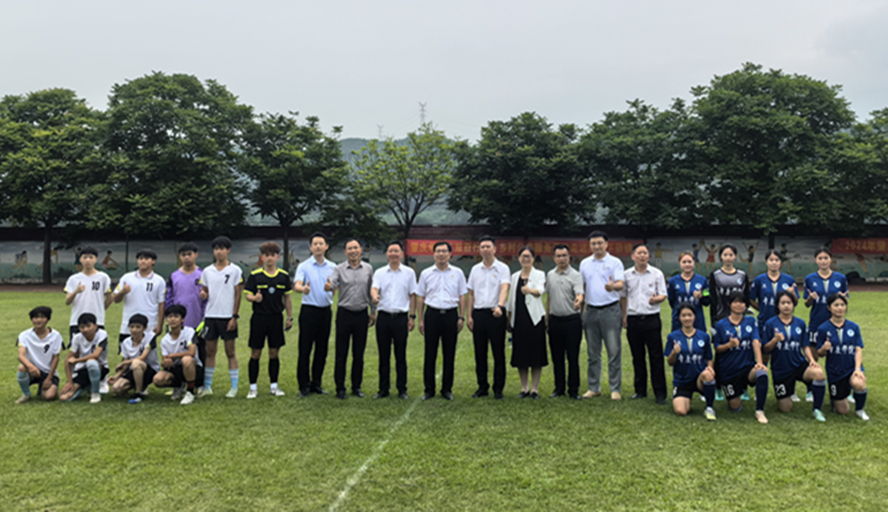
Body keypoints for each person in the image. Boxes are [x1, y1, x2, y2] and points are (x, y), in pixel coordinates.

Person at [762, 291, 827, 421]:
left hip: (798, 364)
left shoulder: (800, 323)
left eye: (789, 303)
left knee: (819, 373)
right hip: (781, 369)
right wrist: (774, 340)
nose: (786, 306)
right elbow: (765, 349)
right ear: (778, 305)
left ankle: (817, 409)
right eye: (783, 303)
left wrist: (812, 360)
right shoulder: (770, 323)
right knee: (785, 408)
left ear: (793, 305)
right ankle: (787, 392)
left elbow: (805, 345)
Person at [325, 238, 376, 400]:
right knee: (341, 353)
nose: (353, 251)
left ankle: (356, 386)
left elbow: (371, 291)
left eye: (355, 248)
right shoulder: (339, 268)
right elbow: (332, 283)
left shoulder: (368, 268)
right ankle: (340, 388)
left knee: (358, 354)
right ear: (345, 252)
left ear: (360, 250)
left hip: (361, 314)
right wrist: (329, 287)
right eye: (349, 248)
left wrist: (373, 311)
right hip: (344, 314)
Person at [416, 241, 468, 401]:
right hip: (432, 314)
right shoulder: (426, 273)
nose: (441, 254)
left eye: (444, 251)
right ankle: (429, 389)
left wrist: (461, 316)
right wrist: (420, 319)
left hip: (451, 315)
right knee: (430, 353)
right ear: (433, 254)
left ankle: (447, 389)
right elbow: (421, 297)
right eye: (438, 251)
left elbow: (462, 295)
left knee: (449, 353)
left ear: (450, 254)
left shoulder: (458, 273)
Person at [620, 243, 668, 404]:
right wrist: (624, 315)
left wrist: (656, 299)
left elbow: (663, 294)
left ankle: (660, 392)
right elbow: (623, 296)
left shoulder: (657, 274)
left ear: (648, 256)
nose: (642, 256)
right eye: (639, 253)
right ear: (632, 256)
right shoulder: (626, 275)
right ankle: (640, 390)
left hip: (651, 318)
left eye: (645, 253)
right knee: (637, 356)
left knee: (656, 357)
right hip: (633, 319)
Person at [579, 230, 625, 400]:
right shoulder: (585, 263)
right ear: (590, 245)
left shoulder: (615, 262)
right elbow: (582, 287)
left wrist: (613, 287)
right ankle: (593, 387)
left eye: (600, 243)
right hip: (591, 310)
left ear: (606, 244)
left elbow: (620, 284)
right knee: (593, 353)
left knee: (613, 351)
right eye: (593, 243)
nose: (597, 246)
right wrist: (581, 309)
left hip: (610, 310)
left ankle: (615, 389)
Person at [244, 242, 293, 399]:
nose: (270, 258)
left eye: (273, 255)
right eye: (266, 255)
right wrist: (255, 298)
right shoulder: (255, 275)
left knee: (274, 353)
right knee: (256, 353)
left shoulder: (283, 276)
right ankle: (253, 388)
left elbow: (287, 298)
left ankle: (274, 386)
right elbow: (248, 295)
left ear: (277, 257)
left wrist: (289, 317)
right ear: (262, 257)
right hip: (259, 318)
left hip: (276, 318)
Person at [712, 292, 770, 424]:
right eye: (735, 302)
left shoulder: (751, 321)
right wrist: (729, 345)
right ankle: (737, 392)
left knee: (762, 373)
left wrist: (760, 362)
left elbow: (755, 341)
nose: (739, 304)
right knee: (735, 408)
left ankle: (760, 411)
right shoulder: (721, 324)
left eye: (742, 302)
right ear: (729, 304)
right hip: (729, 371)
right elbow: (717, 348)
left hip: (747, 367)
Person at [197, 237, 244, 398]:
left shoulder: (235, 270)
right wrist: (204, 295)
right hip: (211, 316)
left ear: (228, 250)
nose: (219, 252)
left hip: (227, 317)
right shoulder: (207, 271)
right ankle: (207, 387)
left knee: (230, 352)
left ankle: (234, 387)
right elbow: (205, 291)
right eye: (216, 249)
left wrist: (234, 316)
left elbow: (238, 295)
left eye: (222, 248)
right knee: (210, 352)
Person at [370, 241, 418, 400]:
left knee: (400, 355)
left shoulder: (409, 273)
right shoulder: (380, 272)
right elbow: (374, 288)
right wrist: (374, 296)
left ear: (402, 254)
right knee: (383, 355)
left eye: (396, 251)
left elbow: (412, 295)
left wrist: (412, 316)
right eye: (390, 251)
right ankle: (383, 389)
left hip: (400, 318)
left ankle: (402, 389)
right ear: (387, 254)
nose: (393, 254)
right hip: (383, 318)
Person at [466, 235, 510, 400]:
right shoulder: (475, 269)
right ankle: (482, 387)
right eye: (482, 247)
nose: (485, 249)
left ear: (494, 249)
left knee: (498, 352)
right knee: (480, 353)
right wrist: (469, 316)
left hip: (495, 313)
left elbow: (504, 288)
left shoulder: (502, 268)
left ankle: (498, 388)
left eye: (488, 247)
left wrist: (500, 306)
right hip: (479, 314)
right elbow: (471, 294)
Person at [294, 232, 336, 396]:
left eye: (321, 243)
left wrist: (330, 288)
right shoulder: (304, 266)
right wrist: (303, 289)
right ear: (311, 247)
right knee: (305, 349)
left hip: (325, 311)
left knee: (322, 349)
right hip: (309, 311)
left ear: (326, 247)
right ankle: (303, 385)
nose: (318, 246)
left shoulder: (333, 267)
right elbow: (297, 284)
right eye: (315, 244)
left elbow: (335, 286)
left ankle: (316, 384)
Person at [815, 294, 869, 421]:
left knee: (859, 383)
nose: (840, 308)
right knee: (842, 411)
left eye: (842, 305)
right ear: (829, 307)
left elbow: (858, 349)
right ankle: (837, 399)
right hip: (835, 371)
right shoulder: (823, 328)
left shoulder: (854, 327)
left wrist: (857, 369)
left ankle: (860, 409)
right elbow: (819, 353)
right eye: (836, 305)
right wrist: (824, 348)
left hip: (851, 368)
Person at [707, 244, 750, 401]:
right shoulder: (715, 275)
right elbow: (712, 299)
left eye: (731, 254)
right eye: (725, 255)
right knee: (721, 353)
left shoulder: (742, 275)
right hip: (721, 319)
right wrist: (713, 321)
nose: (728, 257)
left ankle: (743, 388)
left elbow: (746, 297)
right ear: (721, 257)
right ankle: (718, 387)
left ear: (735, 257)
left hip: (739, 319)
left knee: (743, 351)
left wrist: (745, 315)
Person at [507, 246, 548, 399]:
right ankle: (524, 388)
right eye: (523, 256)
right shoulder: (514, 276)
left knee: (536, 355)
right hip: (519, 319)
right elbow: (511, 299)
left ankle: (534, 389)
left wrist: (529, 290)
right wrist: (509, 317)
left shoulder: (539, 274)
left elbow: (540, 291)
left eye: (528, 256)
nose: (526, 259)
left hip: (535, 320)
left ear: (533, 258)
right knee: (521, 355)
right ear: (519, 258)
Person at [545, 244, 584, 400]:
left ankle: (573, 389)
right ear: (554, 258)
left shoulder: (576, 275)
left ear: (569, 257)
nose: (561, 259)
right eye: (559, 256)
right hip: (554, 320)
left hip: (572, 320)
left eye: (564, 256)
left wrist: (578, 301)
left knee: (572, 357)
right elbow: (549, 298)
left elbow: (580, 294)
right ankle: (559, 388)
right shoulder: (550, 275)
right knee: (557, 357)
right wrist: (547, 318)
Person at [665, 304, 717, 420]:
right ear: (679, 318)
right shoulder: (673, 337)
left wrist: (710, 368)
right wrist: (673, 353)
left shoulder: (704, 336)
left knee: (708, 375)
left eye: (690, 315)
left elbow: (709, 358)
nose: (687, 318)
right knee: (681, 411)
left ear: (694, 316)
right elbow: (670, 362)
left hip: (699, 378)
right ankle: (684, 398)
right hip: (682, 380)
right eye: (684, 315)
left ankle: (709, 408)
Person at [750, 250, 799, 373]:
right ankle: (763, 376)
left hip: (783, 322)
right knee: (764, 352)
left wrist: (793, 294)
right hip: (764, 321)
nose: (774, 263)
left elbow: (795, 302)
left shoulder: (788, 279)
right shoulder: (759, 280)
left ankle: (782, 376)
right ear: (766, 262)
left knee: (782, 351)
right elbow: (751, 299)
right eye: (771, 260)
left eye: (777, 260)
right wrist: (761, 309)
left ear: (780, 263)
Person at [112, 249, 166, 347]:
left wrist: (160, 325)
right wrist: (123, 292)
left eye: (146, 259)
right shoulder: (127, 278)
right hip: (128, 325)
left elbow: (161, 303)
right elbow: (115, 300)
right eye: (140, 259)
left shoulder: (159, 280)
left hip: (149, 325)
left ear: (153, 261)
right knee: (125, 352)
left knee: (147, 353)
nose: (143, 261)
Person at [64, 246, 112, 350]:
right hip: (77, 320)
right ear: (80, 259)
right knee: (76, 350)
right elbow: (67, 301)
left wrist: (101, 308)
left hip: (97, 320)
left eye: (91, 257)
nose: (88, 260)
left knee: (97, 349)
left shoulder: (103, 277)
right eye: (85, 257)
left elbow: (109, 297)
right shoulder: (74, 279)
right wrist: (76, 291)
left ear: (96, 260)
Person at [152, 305, 200, 405]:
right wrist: (166, 362)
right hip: (175, 368)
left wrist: (172, 356)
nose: (172, 319)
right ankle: (178, 387)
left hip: (193, 367)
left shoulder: (190, 332)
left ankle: (190, 391)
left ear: (182, 319)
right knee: (158, 379)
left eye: (176, 316)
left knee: (186, 359)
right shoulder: (165, 340)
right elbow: (165, 360)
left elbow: (192, 352)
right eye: (169, 317)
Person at [804, 248, 849, 355]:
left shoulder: (841, 278)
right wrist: (810, 298)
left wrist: (843, 298)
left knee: (836, 352)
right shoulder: (810, 278)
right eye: (820, 258)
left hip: (835, 321)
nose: (823, 261)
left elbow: (845, 301)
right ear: (815, 260)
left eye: (826, 258)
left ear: (831, 259)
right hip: (816, 321)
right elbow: (806, 304)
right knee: (814, 354)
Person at [108, 314, 160, 404]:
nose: (134, 330)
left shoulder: (150, 337)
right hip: (134, 370)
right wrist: (117, 376)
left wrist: (124, 363)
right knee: (116, 389)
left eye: (138, 327)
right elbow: (126, 363)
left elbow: (143, 357)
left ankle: (138, 392)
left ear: (145, 328)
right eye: (132, 327)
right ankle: (138, 385)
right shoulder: (126, 342)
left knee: (136, 363)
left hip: (149, 369)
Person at [15, 306, 63, 403]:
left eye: (42, 317)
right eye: (35, 317)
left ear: (48, 319)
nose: (38, 320)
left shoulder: (56, 335)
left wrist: (49, 378)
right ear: (32, 319)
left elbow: (55, 358)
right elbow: (21, 356)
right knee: (22, 368)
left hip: (48, 372)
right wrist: (30, 366)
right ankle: (26, 394)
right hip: (32, 370)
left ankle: (44, 387)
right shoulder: (24, 335)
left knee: (49, 396)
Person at [59, 313, 110, 404]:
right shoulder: (77, 338)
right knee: (64, 398)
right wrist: (69, 382)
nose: (85, 329)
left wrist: (76, 360)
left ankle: (95, 393)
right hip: (82, 370)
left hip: (100, 367)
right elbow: (68, 360)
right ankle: (88, 385)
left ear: (96, 326)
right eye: (82, 327)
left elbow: (96, 355)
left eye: (88, 326)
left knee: (91, 362)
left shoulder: (102, 334)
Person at [166, 242, 206, 330]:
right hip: (178, 321)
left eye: (189, 254)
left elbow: (208, 298)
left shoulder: (203, 275)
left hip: (198, 319)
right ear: (180, 256)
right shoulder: (174, 276)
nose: (186, 257)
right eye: (183, 255)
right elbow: (169, 297)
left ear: (196, 255)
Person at [667, 251, 710, 334]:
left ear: (694, 262)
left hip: (697, 319)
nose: (687, 264)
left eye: (689, 262)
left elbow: (707, 301)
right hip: (679, 319)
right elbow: (671, 301)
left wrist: (701, 297)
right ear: (679, 263)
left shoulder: (703, 280)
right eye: (684, 262)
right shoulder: (673, 281)